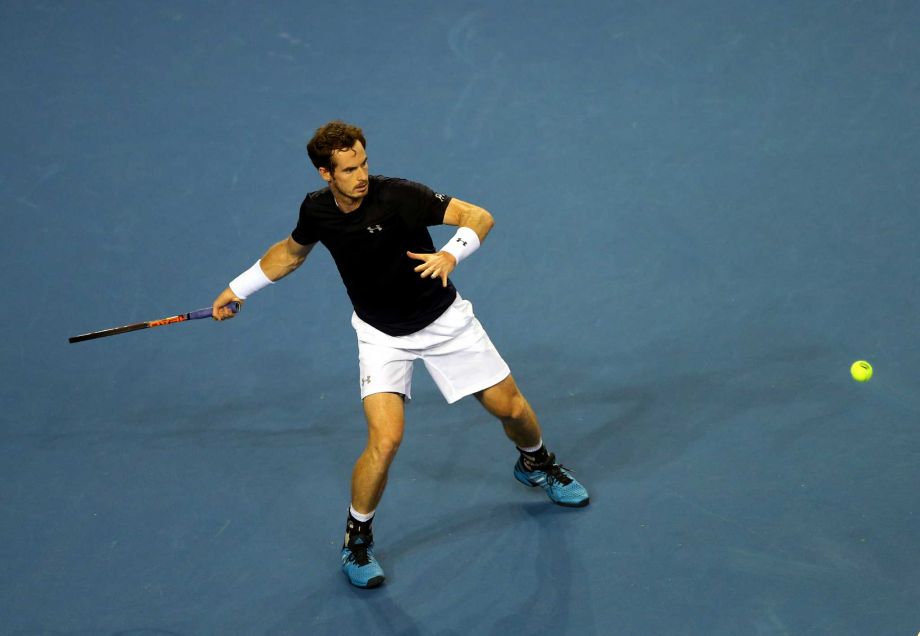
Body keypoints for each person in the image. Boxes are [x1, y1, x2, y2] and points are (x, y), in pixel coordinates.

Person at [211, 120, 589, 589]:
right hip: (380, 334)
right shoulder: (317, 211)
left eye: (364, 162)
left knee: (509, 407)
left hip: (444, 322)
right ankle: (357, 538)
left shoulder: (402, 195)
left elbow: (480, 217)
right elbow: (290, 254)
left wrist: (450, 256)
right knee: (385, 440)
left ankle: (536, 462)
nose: (362, 175)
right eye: (349, 169)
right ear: (326, 174)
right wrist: (237, 288)